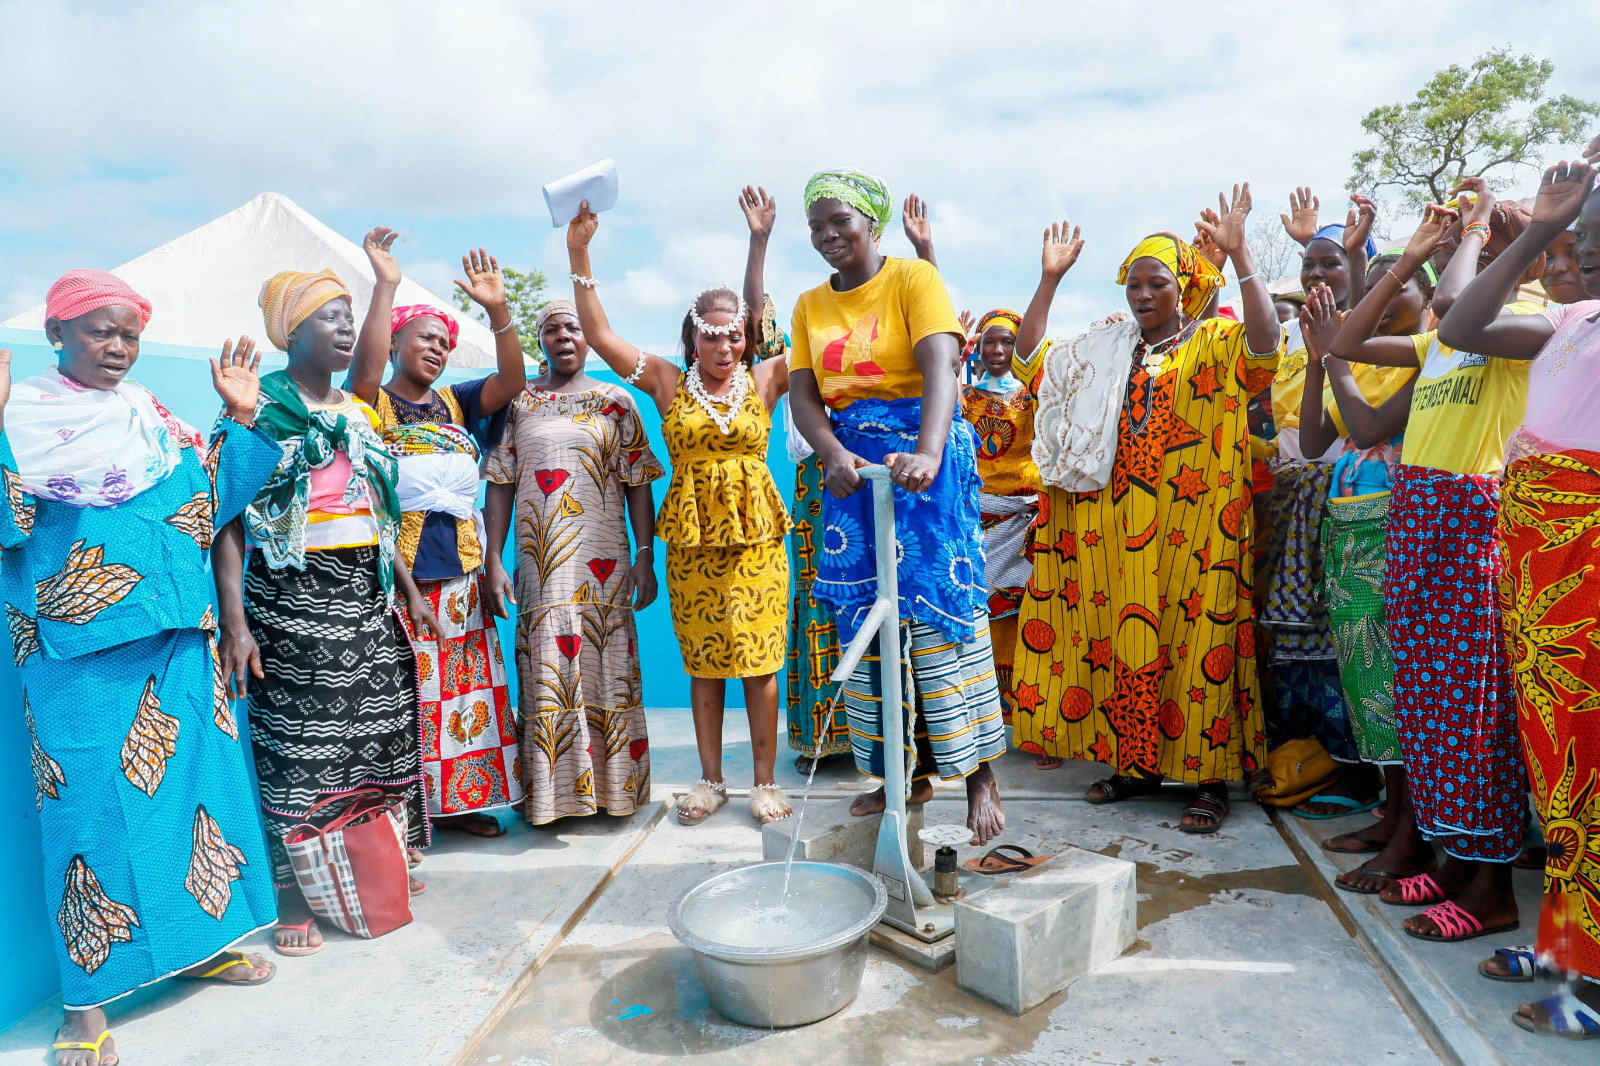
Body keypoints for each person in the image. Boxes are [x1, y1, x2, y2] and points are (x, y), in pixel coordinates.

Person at [0, 271, 281, 1066]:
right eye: (100, 331)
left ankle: (208, 943)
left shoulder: (148, 415)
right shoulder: (22, 422)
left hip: (178, 638)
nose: (118, 347)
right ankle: (83, 1006)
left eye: (129, 334)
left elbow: (209, 499)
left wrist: (241, 414)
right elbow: (7, 522)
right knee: (85, 820)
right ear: (57, 335)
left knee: (200, 798)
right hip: (76, 651)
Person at [1012, 186, 1283, 834]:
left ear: (1183, 287)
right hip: (1115, 528)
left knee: (1200, 645)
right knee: (1125, 643)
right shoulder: (1106, 351)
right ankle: (1133, 765)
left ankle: (1209, 780)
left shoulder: (1214, 341)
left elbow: (1266, 353)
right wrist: (1049, 281)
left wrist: (1241, 254)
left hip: (1198, 529)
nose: (1140, 296)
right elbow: (1029, 364)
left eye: (1155, 283)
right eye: (1132, 285)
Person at [1327, 179, 1552, 946]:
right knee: (1429, 709)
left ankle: (1493, 885)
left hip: (1467, 522)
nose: (1466, 258)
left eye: (1481, 250)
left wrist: (1480, 230)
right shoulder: (1447, 343)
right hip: (1419, 520)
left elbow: (1457, 309)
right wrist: (1406, 259)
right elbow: (1346, 345)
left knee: (1476, 712)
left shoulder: (1532, 324)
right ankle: (1456, 858)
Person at [214, 269, 438, 958]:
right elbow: (226, 519)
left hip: (365, 590)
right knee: (301, 746)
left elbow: (372, 509)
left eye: (349, 316)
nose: (345, 328)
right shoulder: (260, 407)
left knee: (375, 735)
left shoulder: (359, 412)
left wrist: (405, 583)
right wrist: (237, 623)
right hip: (292, 596)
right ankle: (295, 892)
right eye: (329, 317)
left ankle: (373, 859)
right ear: (292, 331)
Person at [787, 167, 1007, 846]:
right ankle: (894, 775)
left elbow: (941, 367)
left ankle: (978, 776)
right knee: (864, 618)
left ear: (873, 225)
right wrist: (830, 454)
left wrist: (931, 452)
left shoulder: (913, 279)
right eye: (817, 225)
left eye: (841, 222)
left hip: (923, 460)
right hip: (852, 472)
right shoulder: (807, 304)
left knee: (942, 610)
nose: (828, 236)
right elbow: (804, 394)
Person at [1435, 148, 1600, 1038]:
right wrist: (1535, 226)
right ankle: (1567, 944)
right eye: (1581, 242)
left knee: (1593, 767)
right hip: (1540, 581)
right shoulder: (1570, 322)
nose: (1587, 258)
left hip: (1586, 572)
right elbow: (1459, 326)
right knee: (1561, 773)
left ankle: (1590, 989)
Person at [566, 196, 795, 826]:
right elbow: (602, 336)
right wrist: (579, 252)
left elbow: (778, 320)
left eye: (734, 334)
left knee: (758, 659)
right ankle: (710, 781)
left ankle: (764, 783)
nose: (723, 345)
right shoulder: (667, 381)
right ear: (692, 336)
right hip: (693, 543)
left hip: (756, 543)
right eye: (711, 334)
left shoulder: (768, 378)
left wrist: (758, 243)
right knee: (705, 660)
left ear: (747, 338)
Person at [347, 230, 526, 836]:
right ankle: (413, 810)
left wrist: (497, 310)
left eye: (446, 344)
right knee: (415, 696)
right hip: (402, 580)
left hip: (464, 573)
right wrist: (385, 286)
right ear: (394, 342)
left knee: (467, 696)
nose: (438, 350)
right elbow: (363, 369)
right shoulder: (370, 405)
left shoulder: (458, 402)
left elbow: (513, 376)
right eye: (425, 338)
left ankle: (464, 802)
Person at [481, 298, 662, 826]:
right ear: (540, 341)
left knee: (608, 668)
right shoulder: (519, 405)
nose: (564, 336)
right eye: (553, 329)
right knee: (548, 669)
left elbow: (638, 485)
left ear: (589, 339)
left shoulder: (617, 401)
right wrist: (494, 558)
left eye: (574, 328)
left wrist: (645, 557)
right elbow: (500, 484)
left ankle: (614, 793)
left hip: (605, 560)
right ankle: (553, 799)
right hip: (542, 566)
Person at [1293, 255, 1429, 891]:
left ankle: (1413, 831)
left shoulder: (1431, 359)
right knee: (1368, 683)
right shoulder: (1364, 365)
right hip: (1351, 536)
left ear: (1429, 303)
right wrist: (1321, 362)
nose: (1380, 301)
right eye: (1374, 291)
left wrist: (1337, 358)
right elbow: (1319, 439)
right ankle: (1392, 813)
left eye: (1396, 291)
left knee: (1399, 686)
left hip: (1394, 531)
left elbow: (1369, 427)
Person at [1258, 190, 1384, 820]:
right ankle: (1300, 754)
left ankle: (1353, 766)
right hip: (1286, 497)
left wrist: (1355, 256)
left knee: (1339, 636)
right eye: (1309, 265)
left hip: (1344, 499)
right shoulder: (1288, 336)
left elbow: (1362, 307)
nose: (1316, 275)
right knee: (1287, 637)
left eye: (1329, 264)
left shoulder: (1363, 333)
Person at [958, 308, 1042, 750]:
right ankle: (981, 720)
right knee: (979, 619)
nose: (997, 350)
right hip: (977, 519)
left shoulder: (1034, 397)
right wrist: (955, 349)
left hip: (1024, 521)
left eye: (1007, 342)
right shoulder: (967, 397)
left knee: (1026, 620)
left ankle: (1029, 725)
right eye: (989, 341)